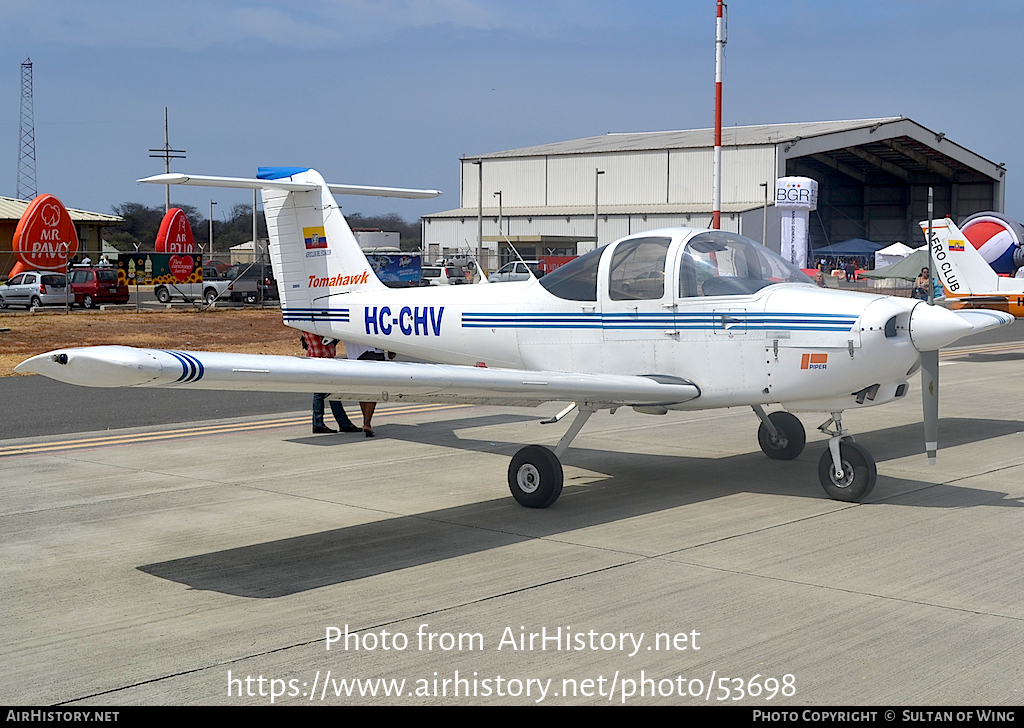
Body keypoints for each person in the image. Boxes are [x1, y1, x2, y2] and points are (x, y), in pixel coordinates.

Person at [302, 332, 361, 434]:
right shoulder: (314, 326)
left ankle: (341, 423)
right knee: (321, 393)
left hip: (321, 358)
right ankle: (320, 424)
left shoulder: (309, 325)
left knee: (331, 392)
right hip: (320, 359)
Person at [344, 342, 395, 437]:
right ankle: (367, 423)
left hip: (355, 355)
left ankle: (366, 421)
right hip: (373, 352)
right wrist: (391, 348)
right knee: (373, 390)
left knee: (362, 390)